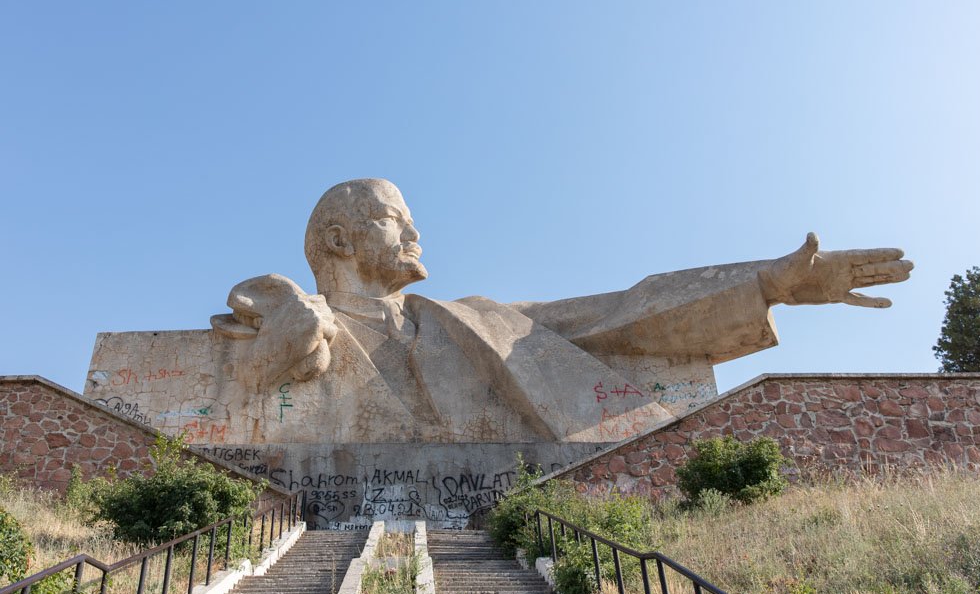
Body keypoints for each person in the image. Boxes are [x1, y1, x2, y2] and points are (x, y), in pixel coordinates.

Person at [210, 178, 913, 443]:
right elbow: (239, 382)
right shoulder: (285, 320)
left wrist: (766, 284)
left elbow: (618, 315)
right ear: (339, 238)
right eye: (396, 219)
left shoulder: (467, 320)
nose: (417, 235)